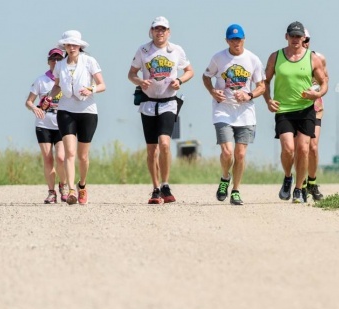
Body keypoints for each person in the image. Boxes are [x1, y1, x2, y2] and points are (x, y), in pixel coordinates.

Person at [127, 16, 194, 204]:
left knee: (165, 143)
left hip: (168, 102)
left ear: (169, 32)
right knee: (151, 149)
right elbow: (131, 74)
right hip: (148, 104)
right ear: (151, 31)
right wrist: (140, 81)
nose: (160, 32)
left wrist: (179, 80)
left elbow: (190, 70)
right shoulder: (143, 50)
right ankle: (155, 188)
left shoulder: (176, 50)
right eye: (157, 29)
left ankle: (166, 184)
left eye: (163, 29)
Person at [263, 21, 328, 203]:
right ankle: (287, 177)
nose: (295, 39)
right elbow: (265, 81)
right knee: (288, 149)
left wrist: (316, 94)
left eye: (298, 36)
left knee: (303, 149)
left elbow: (324, 83)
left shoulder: (312, 58)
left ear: (303, 38)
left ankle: (299, 189)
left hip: (306, 109)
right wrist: (268, 100)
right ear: (286, 36)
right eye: (292, 35)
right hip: (283, 110)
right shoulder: (275, 57)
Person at [202, 23, 265, 206]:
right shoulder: (218, 58)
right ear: (227, 40)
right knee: (227, 152)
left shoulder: (253, 59)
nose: (236, 42)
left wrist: (249, 94)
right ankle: (224, 178)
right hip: (223, 109)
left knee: (240, 154)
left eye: (239, 39)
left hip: (245, 112)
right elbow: (206, 76)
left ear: (244, 39)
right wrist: (213, 91)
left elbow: (261, 86)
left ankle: (236, 190)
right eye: (232, 39)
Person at [49, 30, 106, 205]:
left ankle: (82, 185)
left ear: (80, 46)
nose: (72, 47)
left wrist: (91, 89)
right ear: (64, 46)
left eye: (75, 44)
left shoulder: (89, 61)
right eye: (69, 44)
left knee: (83, 156)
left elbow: (102, 84)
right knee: (70, 152)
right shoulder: (60, 65)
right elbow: (57, 86)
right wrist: (50, 97)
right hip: (66, 110)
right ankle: (71, 189)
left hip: (87, 110)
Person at [24, 48, 68, 204]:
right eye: (53, 59)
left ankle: (63, 185)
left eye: (59, 59)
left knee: (61, 158)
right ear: (48, 61)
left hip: (62, 124)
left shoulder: (66, 79)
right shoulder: (41, 80)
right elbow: (28, 101)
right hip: (44, 124)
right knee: (48, 159)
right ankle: (51, 192)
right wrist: (35, 108)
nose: (55, 62)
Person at [302, 28, 328, 201]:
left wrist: (316, 91)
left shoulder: (319, 58)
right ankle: (301, 184)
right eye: (300, 38)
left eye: (307, 39)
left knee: (312, 147)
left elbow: (325, 80)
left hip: (315, 107)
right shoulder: (287, 58)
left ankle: (312, 182)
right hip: (296, 108)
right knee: (300, 148)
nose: (304, 42)